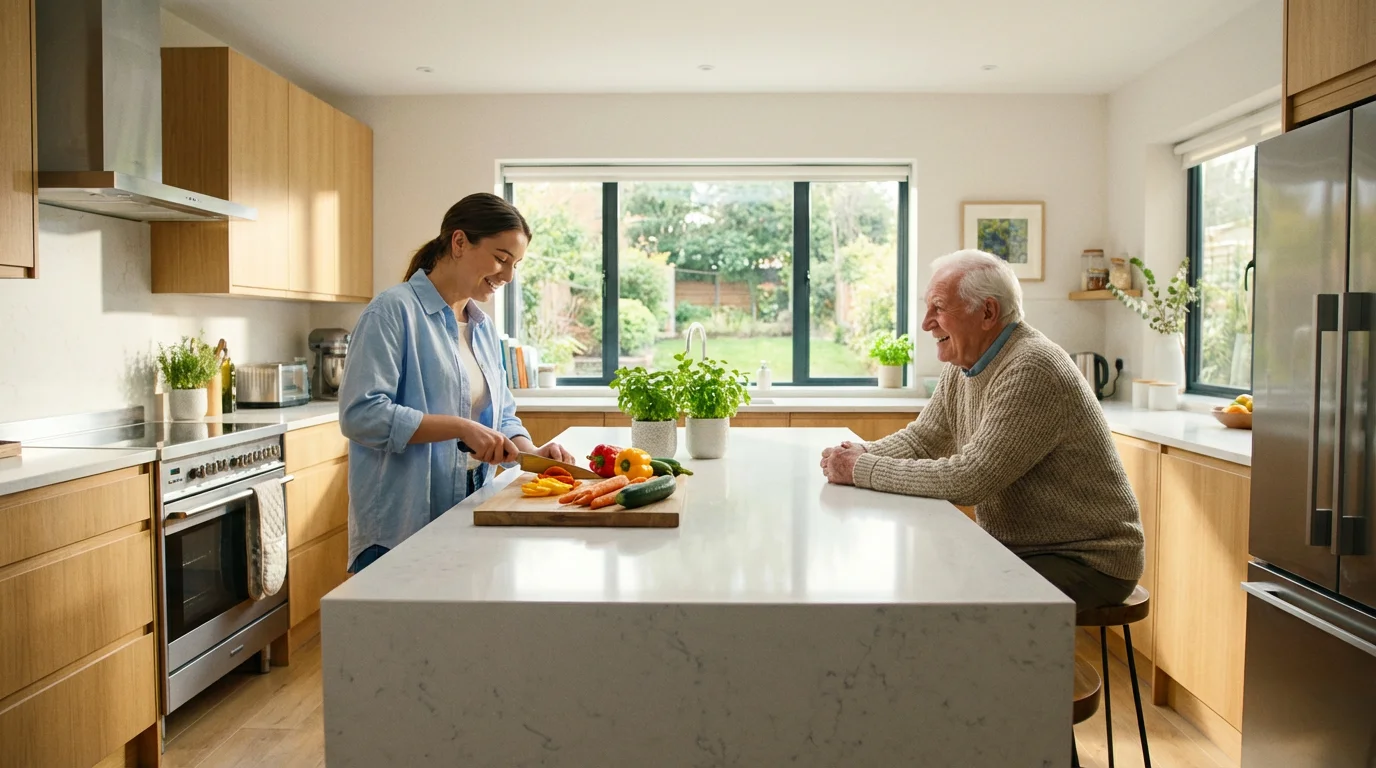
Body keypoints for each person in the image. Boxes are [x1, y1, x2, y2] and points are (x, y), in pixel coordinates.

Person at [819, 249, 1144, 611]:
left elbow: (971, 479)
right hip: (1026, 549)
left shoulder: (1032, 366)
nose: (927, 323)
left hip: (1086, 560)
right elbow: (925, 437)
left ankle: (1039, 670)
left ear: (987, 312)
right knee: (925, 584)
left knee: (953, 605)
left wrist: (861, 469)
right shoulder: (964, 365)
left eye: (939, 308)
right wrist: (861, 452)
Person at [339, 193, 574, 573]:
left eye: (515, 264)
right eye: (501, 258)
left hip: (471, 506)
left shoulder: (481, 327)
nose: (508, 276)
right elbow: (361, 415)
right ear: (460, 242)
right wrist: (461, 428)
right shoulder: (392, 312)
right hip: (402, 525)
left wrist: (531, 453)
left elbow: (502, 414)